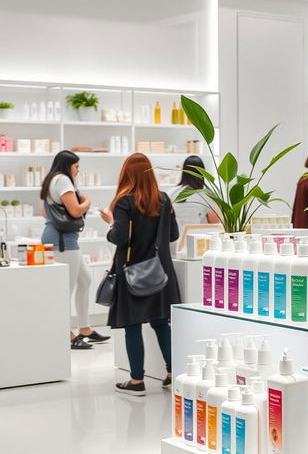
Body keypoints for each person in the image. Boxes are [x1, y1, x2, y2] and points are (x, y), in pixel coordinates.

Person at [99, 153, 180, 396]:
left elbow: (121, 237)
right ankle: (172, 373)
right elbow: (173, 235)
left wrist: (110, 224)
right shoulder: (164, 200)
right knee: (161, 322)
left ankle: (137, 381)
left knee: (132, 326)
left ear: (126, 174)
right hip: (160, 272)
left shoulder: (124, 202)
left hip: (131, 272)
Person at [40, 150, 110, 350]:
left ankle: (85, 328)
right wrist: (87, 202)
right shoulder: (63, 180)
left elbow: (44, 211)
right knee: (66, 288)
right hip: (63, 241)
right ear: (67, 165)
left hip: (59, 237)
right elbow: (75, 210)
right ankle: (67, 333)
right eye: (76, 166)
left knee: (85, 280)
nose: (78, 171)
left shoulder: (51, 179)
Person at [168, 155, 219, 248]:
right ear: (202, 173)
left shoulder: (171, 193)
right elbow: (215, 223)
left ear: (184, 171)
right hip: (198, 246)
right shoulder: (206, 195)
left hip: (174, 245)